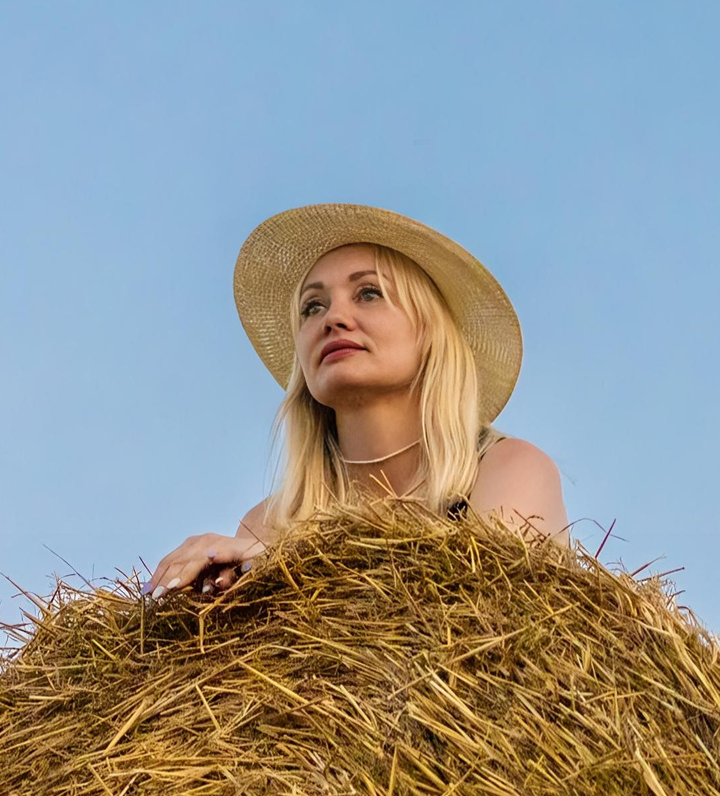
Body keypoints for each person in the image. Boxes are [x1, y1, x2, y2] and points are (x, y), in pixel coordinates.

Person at [148, 204, 568, 598]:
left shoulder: (508, 471)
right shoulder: (267, 525)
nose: (333, 318)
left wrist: (281, 566)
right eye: (312, 306)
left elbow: (489, 617)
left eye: (368, 293)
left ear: (430, 333)